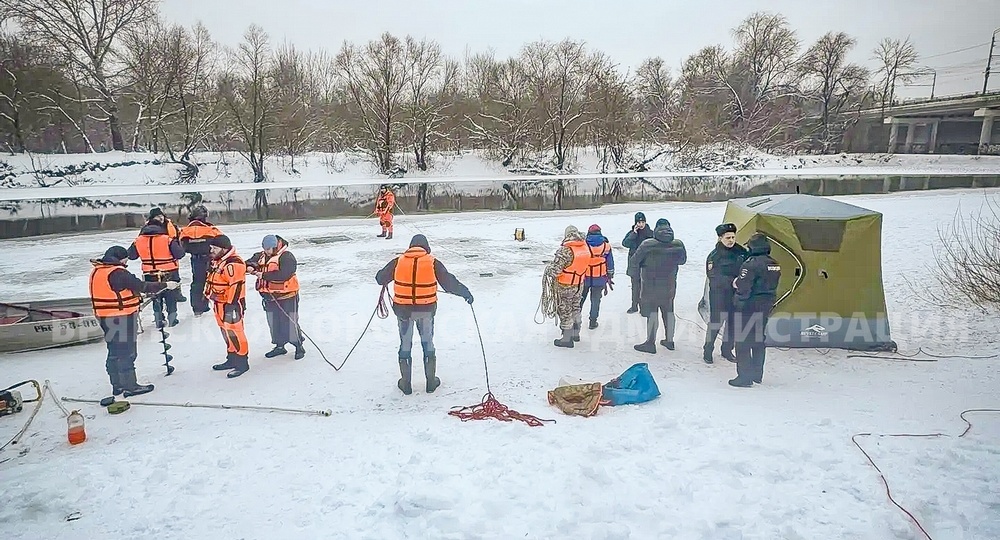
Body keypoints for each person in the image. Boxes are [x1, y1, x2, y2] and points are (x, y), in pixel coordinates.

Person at [376, 234, 473, 395]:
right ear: (426, 247)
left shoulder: (398, 261)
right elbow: (449, 283)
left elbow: (380, 279)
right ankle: (431, 382)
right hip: (425, 310)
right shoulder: (433, 262)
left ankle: (406, 384)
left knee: (405, 344)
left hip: (403, 311)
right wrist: (465, 293)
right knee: (428, 343)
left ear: (411, 246)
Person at [89, 245, 179, 397]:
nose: (126, 263)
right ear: (120, 258)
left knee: (114, 351)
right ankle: (130, 386)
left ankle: (117, 385)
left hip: (104, 316)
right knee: (127, 352)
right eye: (125, 260)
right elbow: (142, 286)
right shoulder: (118, 272)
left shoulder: (98, 271)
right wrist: (166, 285)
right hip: (121, 316)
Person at [729, 233, 781, 388]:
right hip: (766, 305)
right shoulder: (774, 264)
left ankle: (744, 377)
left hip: (749, 306)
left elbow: (744, 287)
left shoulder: (750, 264)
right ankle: (757, 374)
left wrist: (737, 296)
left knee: (742, 341)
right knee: (758, 340)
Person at [631, 218, 686, 354]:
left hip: (650, 285)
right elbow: (682, 261)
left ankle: (650, 343)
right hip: (669, 285)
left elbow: (634, 261)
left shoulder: (647, 244)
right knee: (669, 312)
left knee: (652, 313)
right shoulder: (678, 244)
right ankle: (669, 341)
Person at [247, 234, 306, 360]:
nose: (267, 252)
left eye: (269, 249)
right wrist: (251, 266)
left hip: (287, 296)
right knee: (274, 323)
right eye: (265, 249)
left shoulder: (287, 256)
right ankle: (280, 346)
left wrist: (264, 275)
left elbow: (285, 274)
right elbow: (251, 261)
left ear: (275, 246)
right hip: (269, 297)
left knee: (289, 323)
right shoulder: (262, 255)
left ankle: (298, 346)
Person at [128, 208, 186, 328]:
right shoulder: (167, 239)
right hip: (169, 271)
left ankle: (159, 320)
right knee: (170, 296)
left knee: (155, 296)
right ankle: (172, 319)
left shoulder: (138, 240)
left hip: (149, 272)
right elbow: (180, 254)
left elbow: (132, 255)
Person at [205, 235, 250, 378]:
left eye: (214, 248)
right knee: (225, 330)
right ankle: (232, 358)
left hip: (231, 304)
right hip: (218, 303)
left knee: (235, 332)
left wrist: (231, 306)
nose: (211, 250)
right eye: (211, 247)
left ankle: (242, 362)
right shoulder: (217, 261)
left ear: (224, 249)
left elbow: (236, 286)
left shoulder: (234, 264)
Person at [703, 223, 749, 364]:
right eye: (727, 238)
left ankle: (727, 350)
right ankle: (708, 350)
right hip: (719, 294)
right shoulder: (714, 256)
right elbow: (713, 276)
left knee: (733, 323)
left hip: (736, 295)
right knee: (715, 323)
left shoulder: (742, 252)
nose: (731, 240)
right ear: (720, 238)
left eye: (733, 237)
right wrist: (732, 281)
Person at [543, 225, 589, 348]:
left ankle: (567, 339)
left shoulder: (565, 250)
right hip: (579, 284)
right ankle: (576, 333)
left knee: (565, 310)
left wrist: (549, 269)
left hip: (565, 286)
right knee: (575, 307)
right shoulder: (585, 247)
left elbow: (556, 271)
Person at [177, 205, 222, 317]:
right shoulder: (211, 229)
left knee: (197, 283)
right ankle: (209, 304)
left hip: (195, 259)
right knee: (211, 281)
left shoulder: (184, 231)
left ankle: (197, 308)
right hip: (209, 258)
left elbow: (181, 246)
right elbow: (223, 242)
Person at [580, 224, 615, 329]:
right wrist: (610, 274)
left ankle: (575, 321)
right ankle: (593, 322)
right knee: (595, 301)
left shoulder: (584, 245)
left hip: (585, 277)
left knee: (580, 300)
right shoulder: (606, 246)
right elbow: (610, 262)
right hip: (599, 278)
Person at [622, 212, 654, 313]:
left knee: (646, 287)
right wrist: (634, 234)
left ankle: (644, 307)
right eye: (639, 222)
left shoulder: (651, 233)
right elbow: (625, 243)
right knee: (635, 287)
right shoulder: (631, 233)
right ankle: (634, 306)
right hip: (634, 264)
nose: (641, 224)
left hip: (646, 264)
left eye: (642, 222)